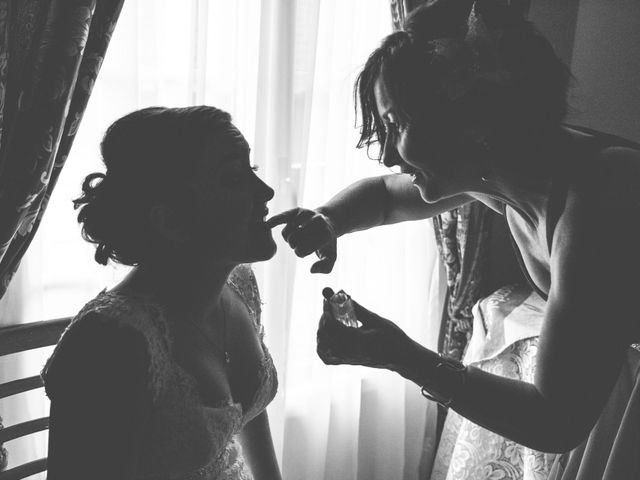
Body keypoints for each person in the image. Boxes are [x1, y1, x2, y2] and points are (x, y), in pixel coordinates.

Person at [268, 0, 640, 458]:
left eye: (396, 125)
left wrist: (401, 357)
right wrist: (330, 220)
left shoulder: (599, 207)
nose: (387, 154)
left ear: (467, 118)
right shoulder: (502, 172)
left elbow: (554, 421)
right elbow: (385, 196)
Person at [42, 106, 282, 480]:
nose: (266, 192)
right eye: (234, 178)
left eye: (253, 170)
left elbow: (249, 415)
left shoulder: (239, 285)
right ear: (171, 220)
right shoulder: (108, 344)